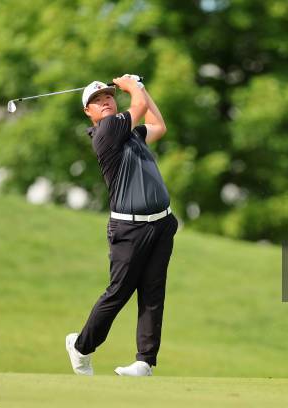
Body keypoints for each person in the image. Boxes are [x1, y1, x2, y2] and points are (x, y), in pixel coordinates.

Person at [65, 74, 178, 377]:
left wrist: (143, 88)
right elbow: (138, 105)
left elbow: (159, 125)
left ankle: (145, 361)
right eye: (96, 100)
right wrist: (133, 85)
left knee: (153, 292)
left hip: (160, 224)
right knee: (119, 292)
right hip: (130, 229)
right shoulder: (106, 130)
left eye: (108, 97)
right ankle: (80, 346)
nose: (104, 102)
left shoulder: (130, 133)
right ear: (88, 112)